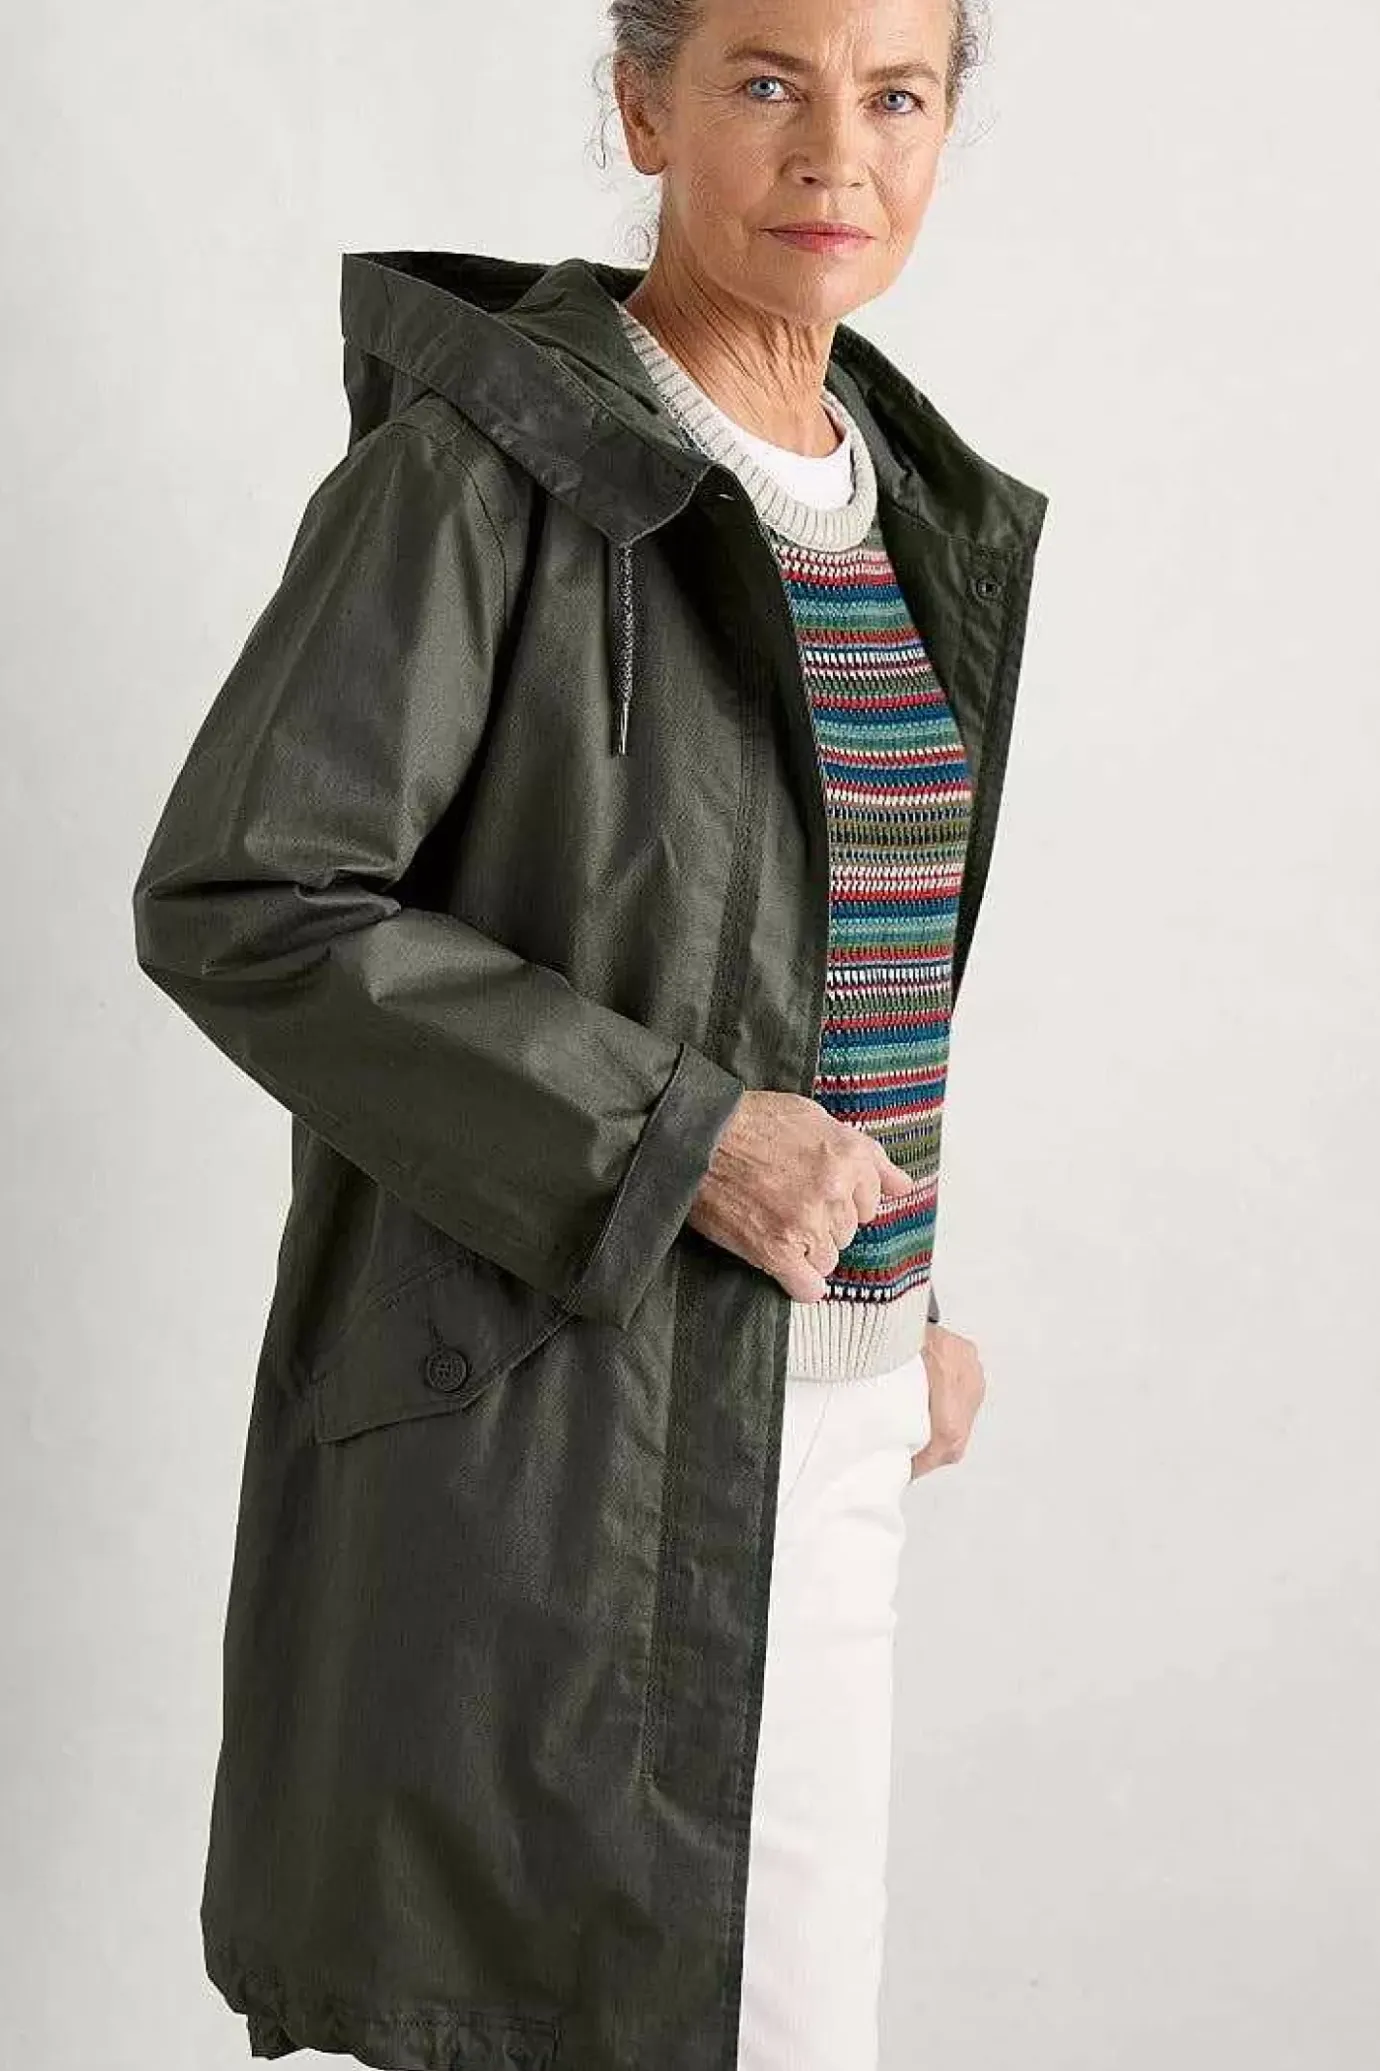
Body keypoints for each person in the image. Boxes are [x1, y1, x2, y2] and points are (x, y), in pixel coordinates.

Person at [131, 3, 1047, 2068]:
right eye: (765, 80)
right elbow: (247, 895)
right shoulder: (483, 474)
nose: (836, 150)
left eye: (896, 94)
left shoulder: (908, 513)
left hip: (824, 1432)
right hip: (561, 1448)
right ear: (642, 107)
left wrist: (897, 1300)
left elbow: (831, 952)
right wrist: (681, 1138)